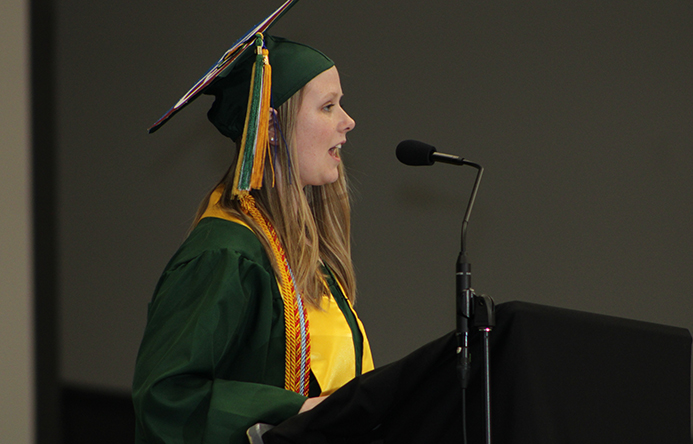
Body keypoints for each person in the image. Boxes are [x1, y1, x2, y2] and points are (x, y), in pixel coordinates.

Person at [132, 2, 374, 443]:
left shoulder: (300, 252)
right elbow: (166, 398)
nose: (348, 121)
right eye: (328, 107)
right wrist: (298, 412)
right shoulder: (226, 253)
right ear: (274, 125)